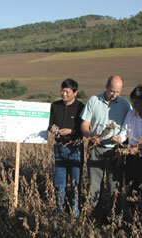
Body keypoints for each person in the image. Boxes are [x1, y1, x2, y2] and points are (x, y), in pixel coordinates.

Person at [80, 75, 132, 221]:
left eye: (118, 92)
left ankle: (115, 217)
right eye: (112, 91)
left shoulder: (125, 104)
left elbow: (128, 127)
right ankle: (95, 216)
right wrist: (90, 136)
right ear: (106, 86)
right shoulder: (93, 101)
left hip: (115, 150)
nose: (115, 95)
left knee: (114, 186)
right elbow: (84, 125)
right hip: (95, 148)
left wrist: (122, 146)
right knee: (94, 185)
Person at [111, 85, 142, 216]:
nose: (134, 106)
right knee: (131, 188)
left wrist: (138, 148)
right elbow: (125, 132)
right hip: (130, 158)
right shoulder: (131, 114)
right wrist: (119, 138)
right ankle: (131, 216)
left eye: (137, 103)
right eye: (133, 103)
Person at [48, 78, 84, 216]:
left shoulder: (81, 107)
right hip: (59, 147)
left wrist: (71, 132)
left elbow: (84, 129)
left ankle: (75, 211)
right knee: (59, 182)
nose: (63, 94)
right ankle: (60, 211)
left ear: (75, 92)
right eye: (62, 91)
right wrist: (53, 129)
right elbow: (50, 123)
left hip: (75, 148)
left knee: (76, 181)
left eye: (67, 92)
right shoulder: (55, 105)